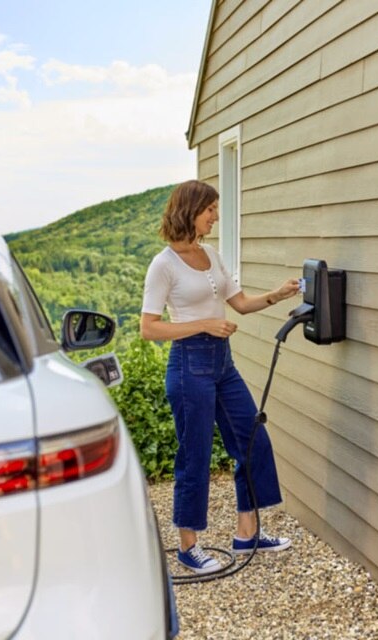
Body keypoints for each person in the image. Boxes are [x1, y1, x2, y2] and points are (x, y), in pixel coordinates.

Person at [140, 179, 300, 574]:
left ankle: (247, 533)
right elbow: (149, 328)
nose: (214, 217)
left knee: (252, 439)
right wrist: (203, 326)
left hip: (222, 364)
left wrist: (277, 295)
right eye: (210, 209)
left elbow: (240, 304)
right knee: (194, 456)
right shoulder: (163, 264)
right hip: (188, 364)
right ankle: (188, 546)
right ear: (189, 211)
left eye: (215, 210)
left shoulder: (210, 254)